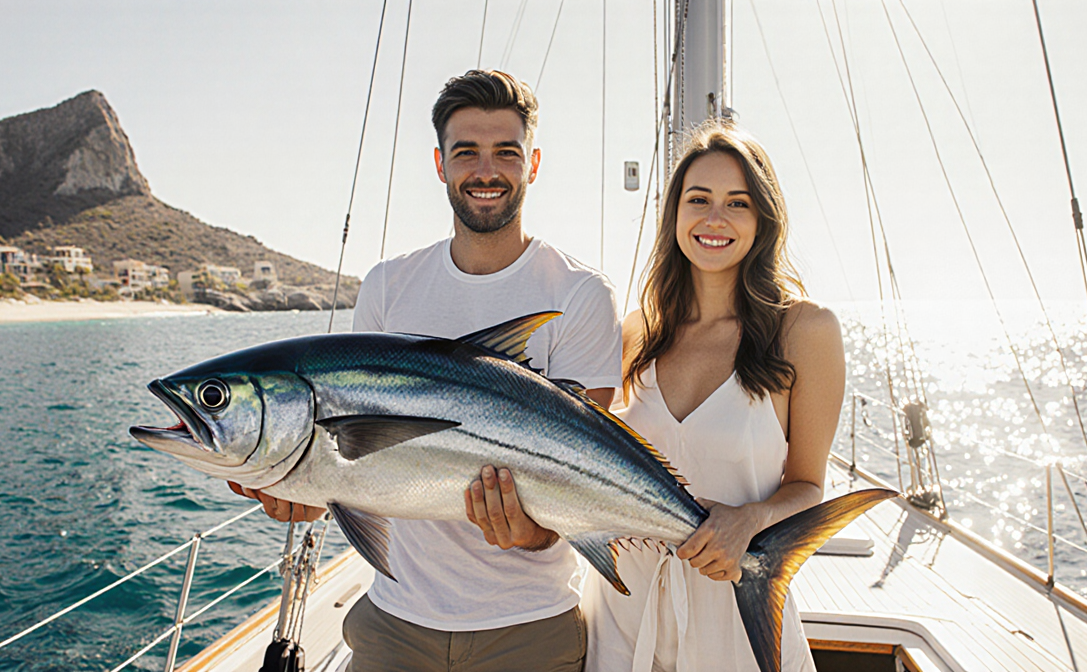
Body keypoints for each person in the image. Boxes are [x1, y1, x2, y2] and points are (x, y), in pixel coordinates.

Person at [232, 70, 621, 672]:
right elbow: (361, 465)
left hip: (529, 629)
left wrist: (532, 531)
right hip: (394, 623)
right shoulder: (388, 287)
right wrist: (307, 489)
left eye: (506, 153)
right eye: (466, 152)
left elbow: (585, 475)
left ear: (533, 164)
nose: (485, 171)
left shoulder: (581, 295)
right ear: (440, 164)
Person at [580, 122, 841, 672]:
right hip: (623, 620)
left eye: (737, 203)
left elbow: (809, 486)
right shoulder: (634, 333)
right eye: (698, 199)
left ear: (762, 219)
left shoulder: (804, 331)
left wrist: (750, 520)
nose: (714, 218)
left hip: (738, 626)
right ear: (676, 214)